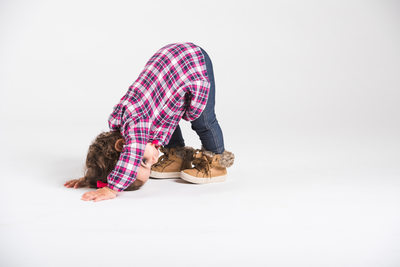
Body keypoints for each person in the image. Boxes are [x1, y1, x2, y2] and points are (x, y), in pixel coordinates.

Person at [65, 42, 234, 202]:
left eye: (144, 161)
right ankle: (177, 155)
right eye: (149, 165)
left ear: (122, 145)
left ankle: (217, 163)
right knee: (164, 120)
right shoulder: (126, 123)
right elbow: (139, 145)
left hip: (192, 62)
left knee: (204, 121)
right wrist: (92, 178)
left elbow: (133, 150)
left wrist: (112, 188)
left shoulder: (136, 123)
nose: (153, 160)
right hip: (172, 68)